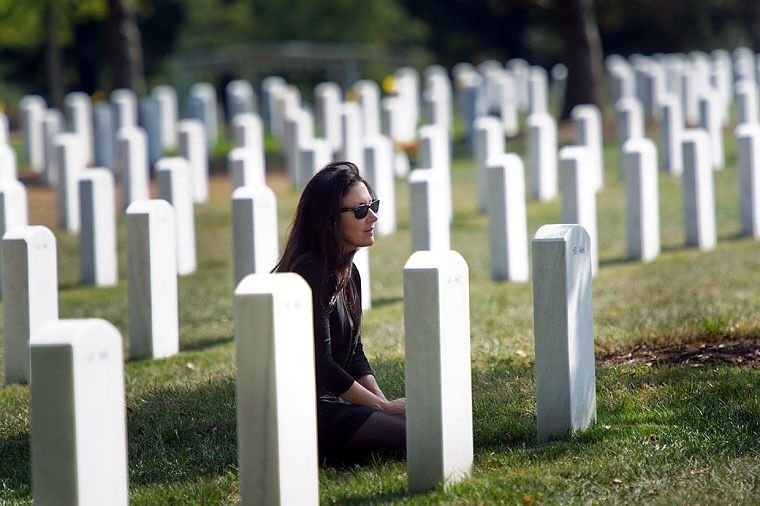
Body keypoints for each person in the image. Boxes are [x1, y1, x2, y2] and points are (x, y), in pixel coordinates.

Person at [274, 161, 406, 462]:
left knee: (423, 424)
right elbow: (323, 365)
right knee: (421, 437)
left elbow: (354, 354)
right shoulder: (310, 273)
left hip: (336, 404)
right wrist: (384, 410)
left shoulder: (349, 272)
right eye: (360, 210)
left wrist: (381, 403)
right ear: (329, 219)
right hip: (307, 412)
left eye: (373, 205)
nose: (372, 216)